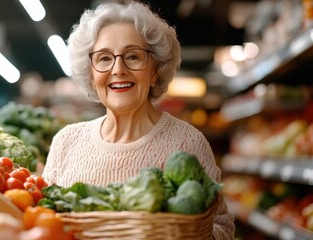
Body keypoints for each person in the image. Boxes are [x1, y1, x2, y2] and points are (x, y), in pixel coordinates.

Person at [41, 1, 235, 239]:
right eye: (103, 58)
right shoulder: (66, 141)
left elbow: (222, 228)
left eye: (133, 56)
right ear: (91, 75)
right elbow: (41, 217)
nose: (118, 69)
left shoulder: (187, 143)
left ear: (155, 71)